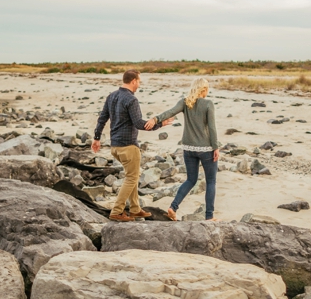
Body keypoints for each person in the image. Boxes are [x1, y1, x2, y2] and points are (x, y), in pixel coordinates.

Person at [93, 70, 173, 221]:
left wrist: (96, 138)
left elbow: (102, 118)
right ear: (134, 81)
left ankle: (135, 209)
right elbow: (139, 123)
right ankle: (117, 211)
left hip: (115, 146)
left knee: (132, 176)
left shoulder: (112, 96)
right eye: (139, 81)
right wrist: (160, 123)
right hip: (128, 146)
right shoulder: (131, 99)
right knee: (131, 178)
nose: (139, 85)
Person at [147, 78, 220, 221]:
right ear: (203, 89)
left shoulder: (185, 102)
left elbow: (170, 112)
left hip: (188, 148)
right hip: (205, 149)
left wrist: (156, 119)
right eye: (207, 88)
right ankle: (209, 217)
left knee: (190, 180)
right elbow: (212, 128)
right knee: (211, 181)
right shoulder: (208, 104)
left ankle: (173, 207)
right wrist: (215, 147)